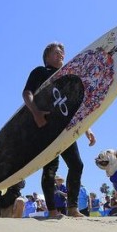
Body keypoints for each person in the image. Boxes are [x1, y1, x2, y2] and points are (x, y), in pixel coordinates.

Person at [23, 42, 96, 218]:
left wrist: (87, 129)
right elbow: (27, 93)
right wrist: (36, 113)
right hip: (47, 127)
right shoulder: (40, 72)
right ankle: (52, 210)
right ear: (47, 56)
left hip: (65, 129)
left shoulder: (69, 76)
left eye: (62, 53)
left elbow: (76, 108)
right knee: (50, 167)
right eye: (56, 53)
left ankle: (72, 208)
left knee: (77, 164)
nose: (61, 55)